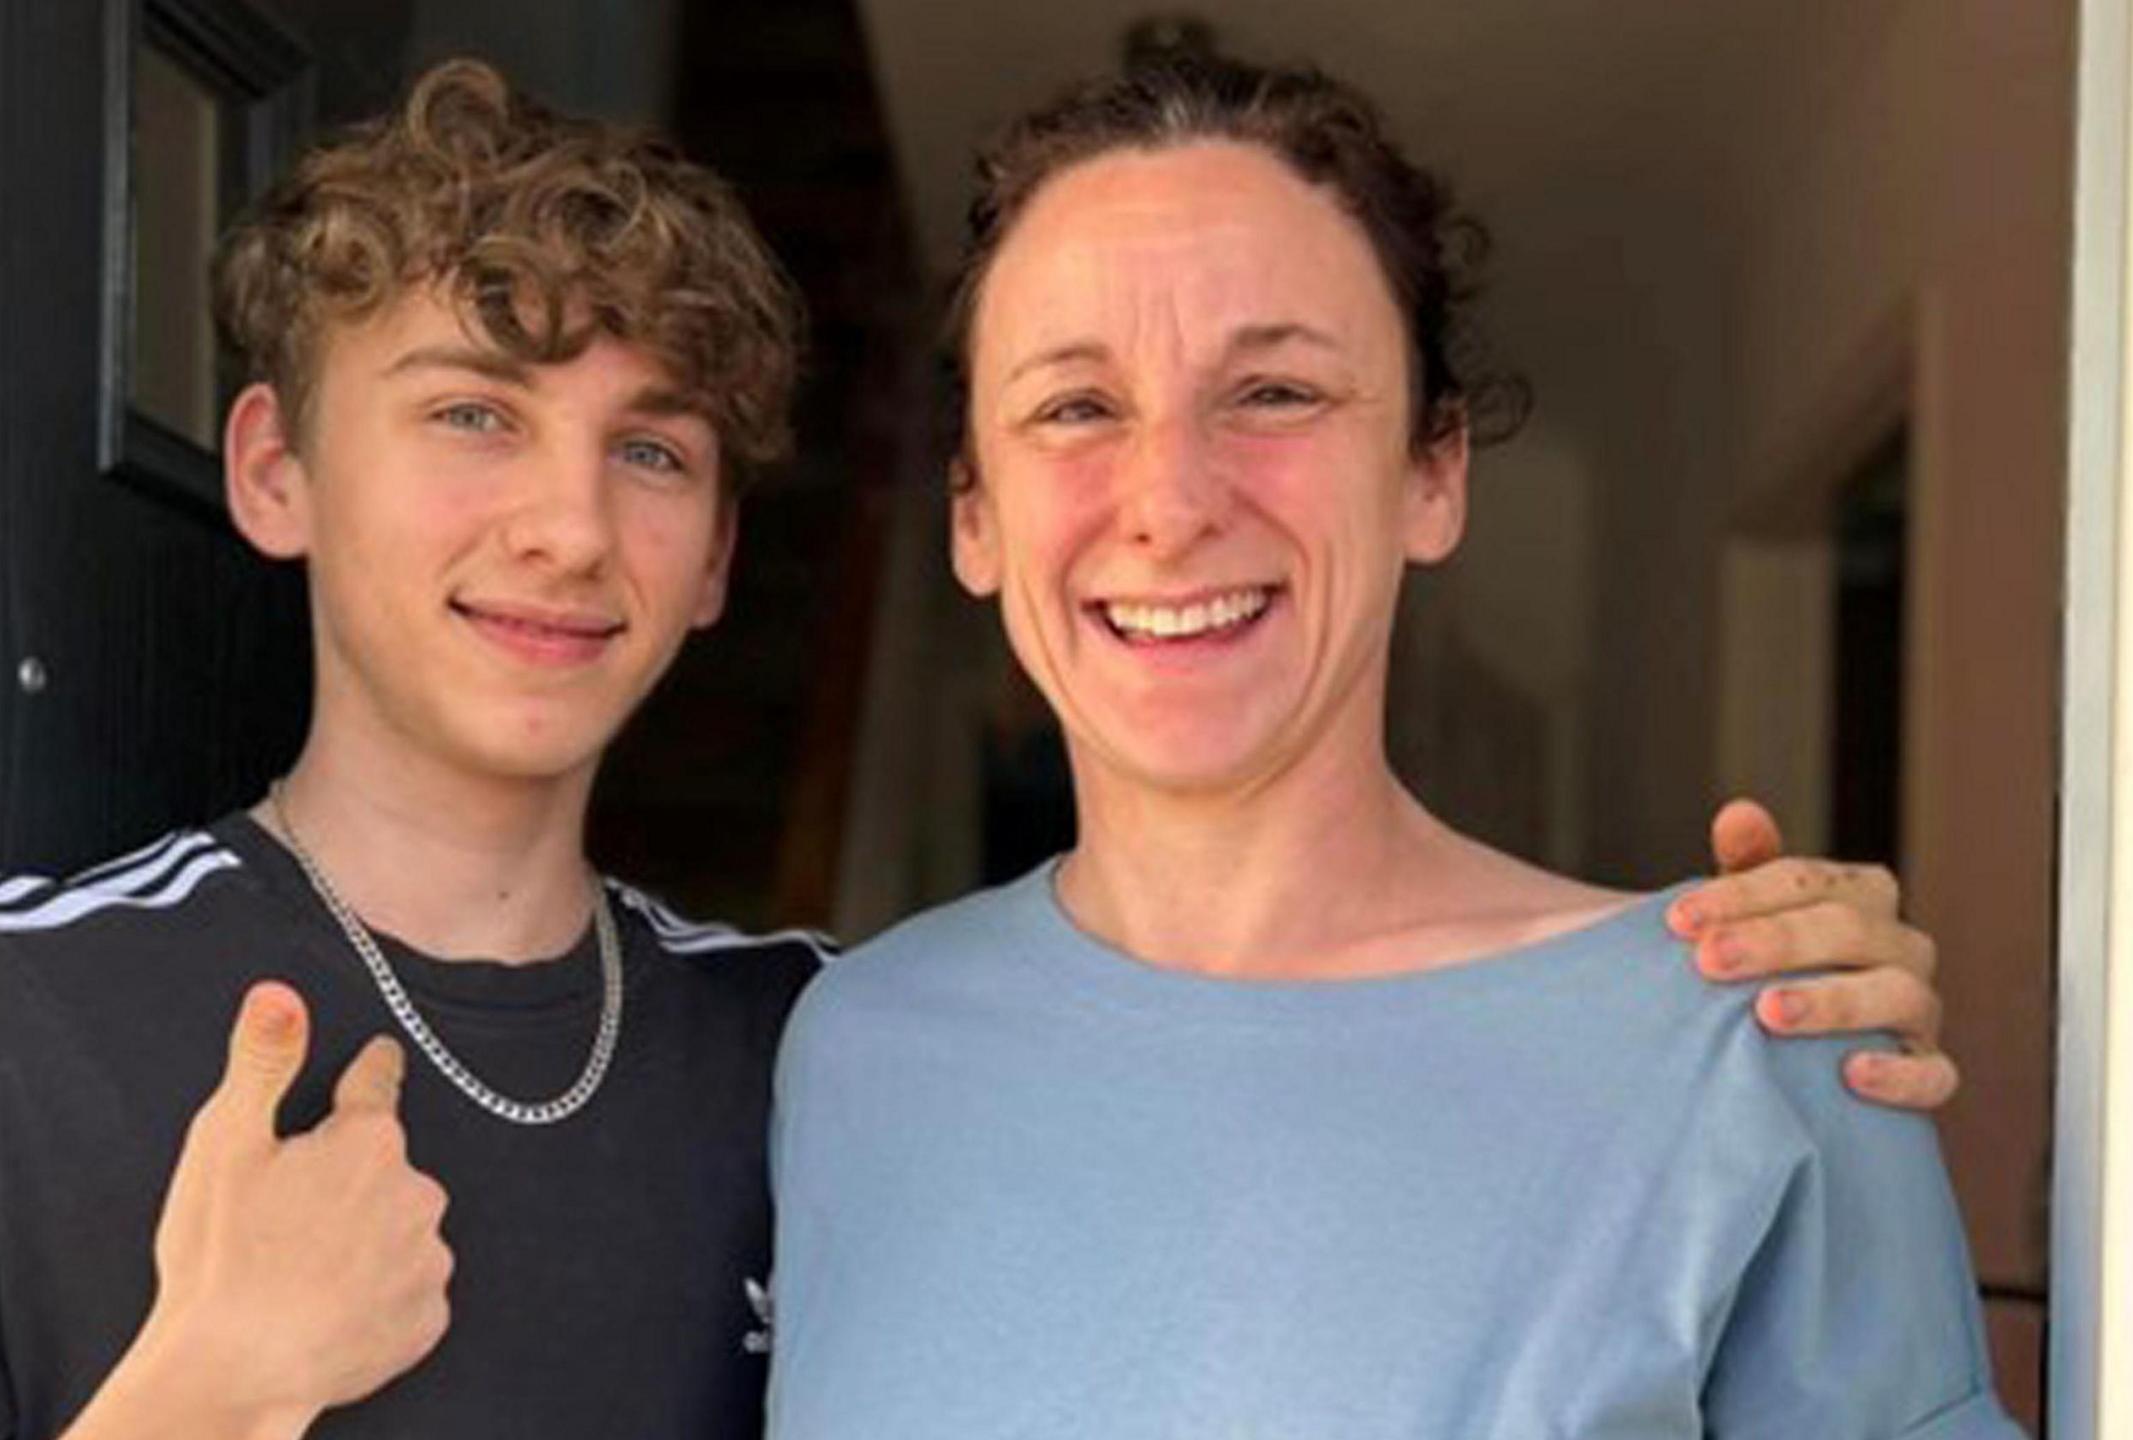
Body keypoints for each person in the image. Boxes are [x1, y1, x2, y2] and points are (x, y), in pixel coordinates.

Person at [0, 57, 1957, 1440]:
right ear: (269, 472)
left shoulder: (792, 1041)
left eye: (655, 454)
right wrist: (197, 1393)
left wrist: (1739, 992)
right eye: (468, 417)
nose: (565, 525)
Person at [768, 55, 2019, 1438]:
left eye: (1277, 394)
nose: (1169, 503)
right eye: (1076, 407)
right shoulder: (857, 1051)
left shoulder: (1759, 1049)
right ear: (973, 520)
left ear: (1434, 475)